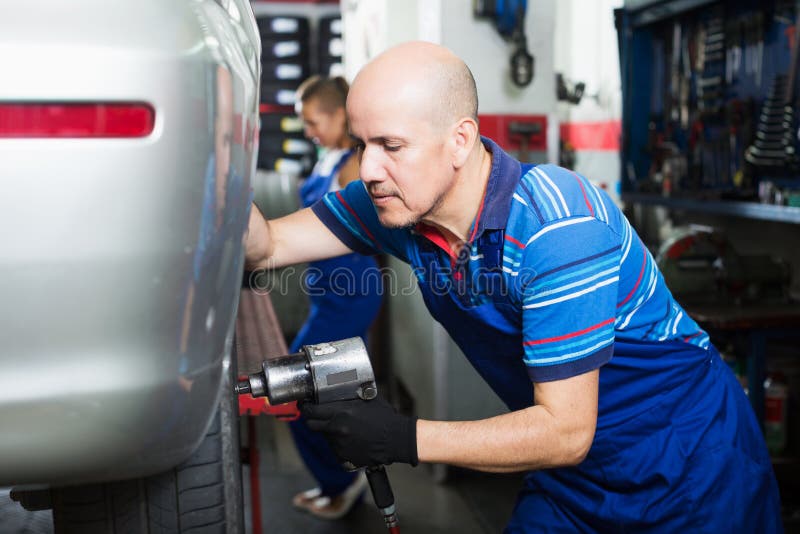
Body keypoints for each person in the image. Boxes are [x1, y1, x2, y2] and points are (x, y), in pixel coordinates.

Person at [245, 42, 782, 532]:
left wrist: (403, 437)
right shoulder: (397, 204)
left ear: (460, 140)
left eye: (391, 144)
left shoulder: (557, 226)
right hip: (573, 480)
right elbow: (266, 244)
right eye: (363, 144)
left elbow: (566, 431)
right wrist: (215, 149)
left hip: (689, 467)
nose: (369, 169)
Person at [283, 75, 383, 519]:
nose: (308, 131)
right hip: (328, 297)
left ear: (339, 114)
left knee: (298, 388)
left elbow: (363, 228)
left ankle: (343, 480)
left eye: (312, 121)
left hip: (351, 293)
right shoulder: (328, 158)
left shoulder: (353, 163)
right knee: (323, 395)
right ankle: (339, 482)